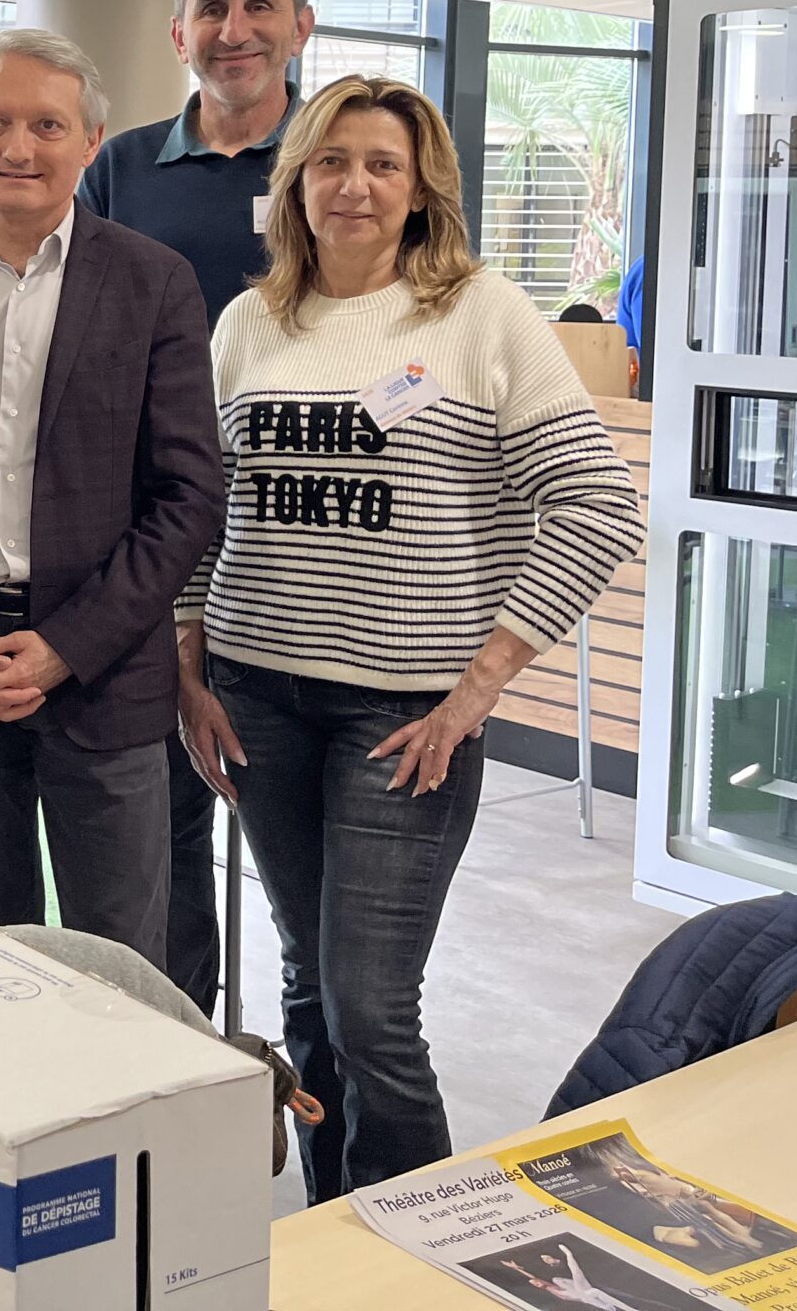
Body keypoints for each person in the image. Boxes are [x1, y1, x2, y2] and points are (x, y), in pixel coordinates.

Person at [175, 75, 643, 1201]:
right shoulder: (250, 321)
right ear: (295, 181)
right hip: (255, 694)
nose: (354, 185)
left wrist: (478, 687)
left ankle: (416, 1248)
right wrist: (188, 669)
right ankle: (333, 1221)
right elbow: (205, 503)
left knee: (371, 1008)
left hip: (404, 718)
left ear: (421, 188)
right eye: (331, 162)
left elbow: (597, 502)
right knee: (306, 982)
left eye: (383, 165)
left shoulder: (479, 314)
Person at [0, 29, 224, 967]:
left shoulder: (154, 283)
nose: (19, 147)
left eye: (47, 125)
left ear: (91, 142)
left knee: (121, 968)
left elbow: (188, 497)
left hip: (102, 678)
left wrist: (67, 648)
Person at [78, 0, 314, 1016]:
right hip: (157, 543)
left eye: (258, 5)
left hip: (302, 544)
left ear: (299, 24)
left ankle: (301, 1058)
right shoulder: (122, 168)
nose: (235, 30)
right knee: (163, 830)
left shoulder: (344, 165)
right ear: (178, 33)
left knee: (301, 858)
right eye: (212, 9)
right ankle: (173, 1053)